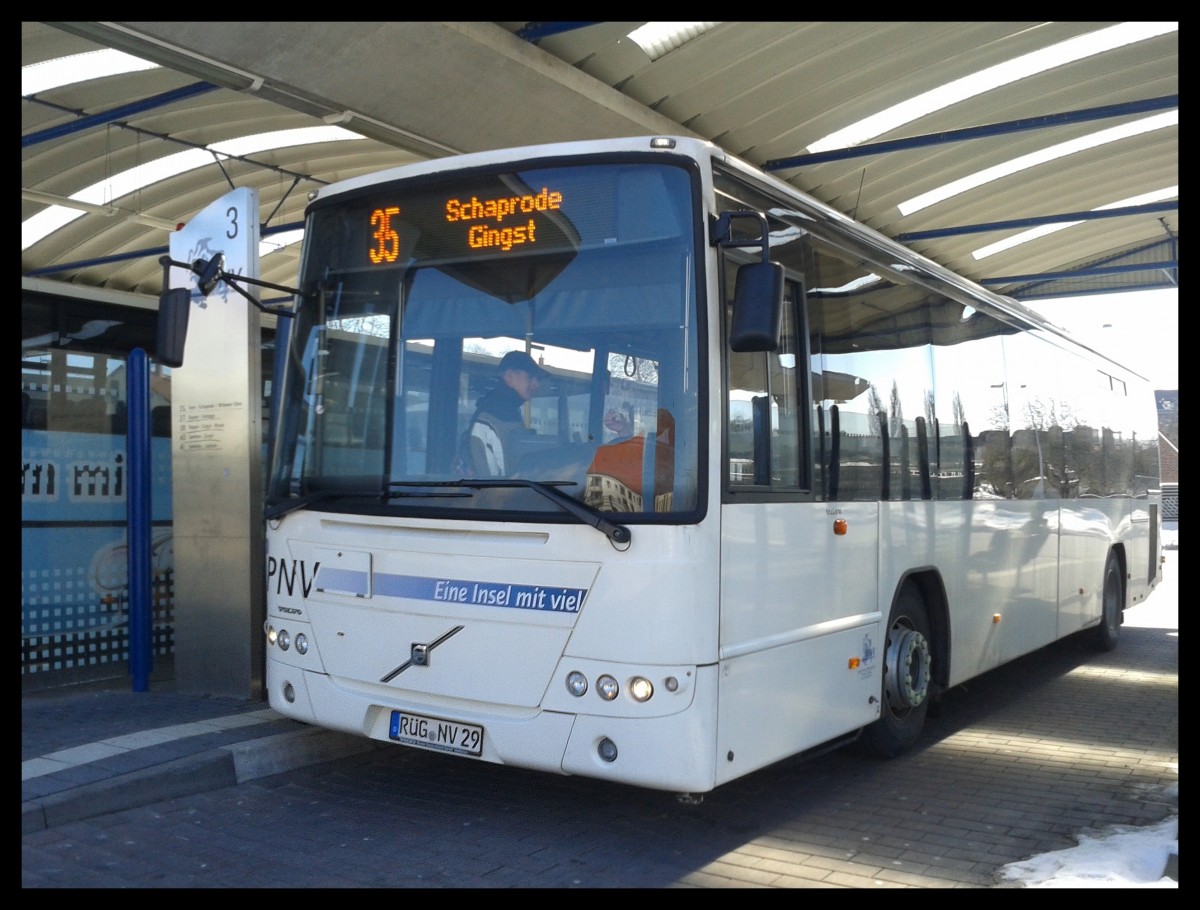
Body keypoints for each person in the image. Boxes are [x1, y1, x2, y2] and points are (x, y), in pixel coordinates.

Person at [463, 350, 548, 477]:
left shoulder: (510, 414)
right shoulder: (488, 420)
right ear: (509, 377)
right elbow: (490, 484)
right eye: (530, 377)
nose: (536, 384)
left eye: (538, 379)